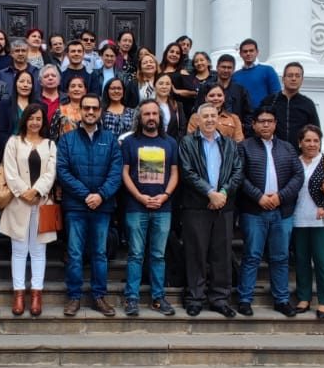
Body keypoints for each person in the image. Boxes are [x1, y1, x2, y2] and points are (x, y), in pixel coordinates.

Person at [57, 93, 123, 317]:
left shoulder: (110, 140)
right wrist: (86, 195)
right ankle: (74, 297)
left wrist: (101, 195)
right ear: (80, 111)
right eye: (87, 108)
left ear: (100, 111)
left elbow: (116, 172)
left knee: (99, 254)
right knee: (75, 254)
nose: (91, 112)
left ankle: (99, 296)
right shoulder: (67, 139)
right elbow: (63, 171)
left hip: (102, 207)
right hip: (76, 207)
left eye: (95, 108)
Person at [236, 106, 304, 317]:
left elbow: (298, 176)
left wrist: (280, 197)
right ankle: (245, 299)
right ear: (254, 124)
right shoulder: (244, 147)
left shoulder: (287, 148)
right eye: (262, 121)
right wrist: (259, 196)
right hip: (253, 211)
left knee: (280, 257)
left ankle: (281, 300)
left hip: (282, 212)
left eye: (270, 121)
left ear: (275, 124)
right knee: (251, 256)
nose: (266, 124)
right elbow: (239, 176)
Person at [178, 103, 243, 317]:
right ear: (198, 120)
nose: (209, 120)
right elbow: (187, 172)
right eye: (205, 116)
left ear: (218, 118)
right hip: (197, 206)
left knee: (221, 255)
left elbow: (237, 171)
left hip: (223, 207)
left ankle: (220, 299)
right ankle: (195, 298)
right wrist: (209, 193)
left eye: (213, 116)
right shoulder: (187, 143)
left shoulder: (229, 144)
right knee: (195, 253)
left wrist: (222, 193)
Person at [0, 104, 57, 317]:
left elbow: (51, 172)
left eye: (38, 119)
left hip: (42, 202)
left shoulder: (50, 144)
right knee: (19, 250)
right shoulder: (14, 142)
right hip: (18, 202)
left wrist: (37, 191)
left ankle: (36, 294)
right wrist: (24, 192)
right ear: (25, 120)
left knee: (39, 250)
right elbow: (10, 171)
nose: (35, 122)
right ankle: (19, 294)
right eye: (31, 118)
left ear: (43, 121)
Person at [122, 100, 178, 316]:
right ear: (140, 117)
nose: (151, 117)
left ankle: (158, 298)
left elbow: (175, 173)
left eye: (155, 113)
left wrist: (165, 196)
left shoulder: (170, 142)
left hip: (163, 208)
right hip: (136, 206)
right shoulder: (130, 142)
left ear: (160, 117)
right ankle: (131, 299)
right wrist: (139, 196)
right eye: (147, 114)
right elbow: (124, 173)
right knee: (135, 254)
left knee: (158, 255)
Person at [292, 125, 324, 319]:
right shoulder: (294, 162)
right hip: (298, 218)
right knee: (301, 260)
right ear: (300, 142)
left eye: (316, 140)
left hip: (323, 220)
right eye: (307, 140)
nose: (312, 144)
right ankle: (304, 298)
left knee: (321, 260)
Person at [261, 62, 320, 152]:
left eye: (297, 76)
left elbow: (316, 133)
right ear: (283, 79)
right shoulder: (269, 101)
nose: (293, 79)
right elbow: (259, 126)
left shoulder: (308, 104)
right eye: (290, 75)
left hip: (300, 155)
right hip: (272, 153)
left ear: (302, 80)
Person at [198, 54, 252, 135]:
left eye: (229, 68)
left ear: (233, 69)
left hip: (234, 132)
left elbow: (248, 114)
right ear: (217, 67)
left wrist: (244, 129)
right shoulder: (205, 87)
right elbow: (198, 109)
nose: (226, 70)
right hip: (207, 132)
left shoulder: (240, 90)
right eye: (223, 67)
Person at [0, 69, 39, 161]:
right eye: (21, 81)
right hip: (10, 151)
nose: (25, 85)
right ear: (15, 84)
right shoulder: (5, 104)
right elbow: (1, 131)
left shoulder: (39, 106)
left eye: (29, 82)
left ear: (33, 86)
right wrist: (13, 148)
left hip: (33, 152)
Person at [232, 38, 281, 109]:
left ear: (257, 52)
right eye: (245, 51)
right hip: (242, 114)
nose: (248, 53)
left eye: (251, 51)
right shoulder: (235, 76)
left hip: (263, 114)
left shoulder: (268, 70)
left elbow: (276, 94)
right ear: (240, 54)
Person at [49, 76, 87, 140]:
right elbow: (53, 136)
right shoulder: (60, 110)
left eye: (80, 86)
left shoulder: (91, 110)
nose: (76, 89)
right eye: (73, 86)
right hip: (65, 145)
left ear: (85, 91)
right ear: (67, 92)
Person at [154, 73, 186, 141]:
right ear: (154, 86)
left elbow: (182, 129)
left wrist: (174, 143)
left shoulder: (177, 105)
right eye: (161, 83)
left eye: (167, 84)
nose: (164, 86)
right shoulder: (147, 105)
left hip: (172, 143)